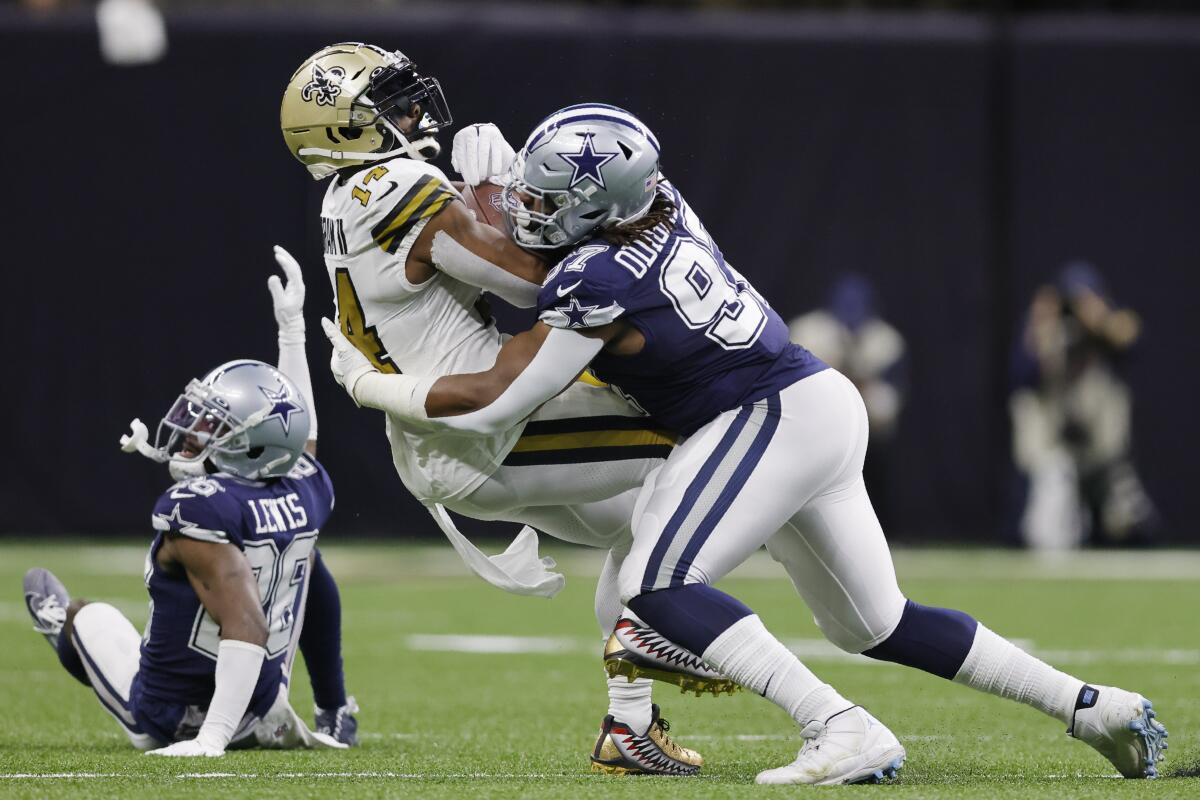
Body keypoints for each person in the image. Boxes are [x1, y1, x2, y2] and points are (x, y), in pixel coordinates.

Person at [323, 104, 1168, 783]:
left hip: (768, 418)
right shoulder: (663, 200)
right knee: (876, 623)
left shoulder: (595, 279)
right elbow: (567, 219)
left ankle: (839, 726)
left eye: (546, 201)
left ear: (602, 207)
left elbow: (495, 399)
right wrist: (504, 174)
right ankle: (1092, 704)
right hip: (813, 405)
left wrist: (369, 384)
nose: (527, 212)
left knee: (656, 582)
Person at [280, 42, 729, 775]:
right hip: (479, 428)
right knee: (695, 446)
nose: (413, 112)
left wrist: (480, 192)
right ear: (344, 131)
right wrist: (492, 187)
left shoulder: (351, 192)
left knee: (635, 526)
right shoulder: (396, 185)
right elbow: (527, 283)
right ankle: (682, 639)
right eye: (389, 105)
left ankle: (631, 724)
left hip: (446, 428)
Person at [22, 253, 350, 756]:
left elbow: (247, 624)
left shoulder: (198, 506)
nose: (193, 436)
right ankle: (334, 707)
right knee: (309, 558)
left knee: (85, 618)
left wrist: (212, 739)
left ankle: (61, 630)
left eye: (213, 428)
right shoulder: (308, 485)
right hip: (263, 703)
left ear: (253, 446)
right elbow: (300, 434)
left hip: (178, 716)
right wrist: (291, 334)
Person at [1010, 261, 1157, 549]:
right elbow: (1021, 378)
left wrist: (1101, 320)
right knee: (1053, 507)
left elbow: (1134, 341)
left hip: (1099, 447)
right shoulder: (1043, 327)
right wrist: (1041, 331)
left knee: (1126, 511)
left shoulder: (1103, 326)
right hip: (1053, 440)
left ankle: (1116, 525)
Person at [788, 274, 906, 527]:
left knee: (874, 450)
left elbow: (886, 410)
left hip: (865, 435)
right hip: (812, 430)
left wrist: (858, 386)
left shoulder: (887, 343)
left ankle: (880, 527)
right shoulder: (807, 332)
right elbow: (792, 394)